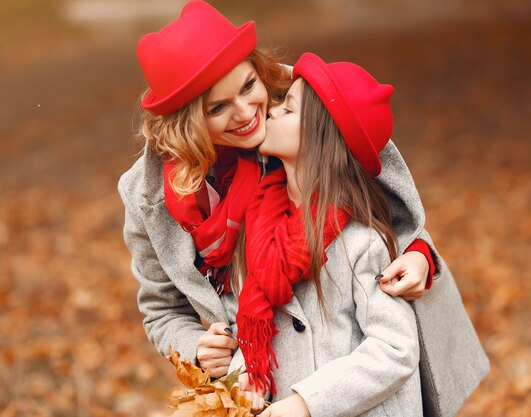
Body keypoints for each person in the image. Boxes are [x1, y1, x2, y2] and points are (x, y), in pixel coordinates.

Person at [118, 2, 488, 416]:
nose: (247, 114)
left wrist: (419, 255)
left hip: (348, 364)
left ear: (260, 72)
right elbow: (161, 308)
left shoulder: (311, 105)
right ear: (185, 125)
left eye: (247, 86)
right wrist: (198, 349)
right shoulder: (148, 194)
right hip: (265, 376)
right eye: (216, 108)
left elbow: (390, 206)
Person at [222, 52, 421, 417]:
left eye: (290, 108)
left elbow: (395, 348)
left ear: (321, 136)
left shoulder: (361, 242)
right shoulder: (262, 226)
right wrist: (244, 378)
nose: (274, 110)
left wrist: (305, 403)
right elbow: (259, 328)